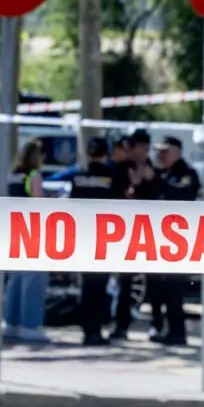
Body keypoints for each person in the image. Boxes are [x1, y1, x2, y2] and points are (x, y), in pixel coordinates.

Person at [147, 135, 202, 345]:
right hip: (159, 238)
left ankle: (178, 332)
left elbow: (183, 195)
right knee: (158, 288)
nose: (161, 156)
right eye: (159, 152)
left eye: (165, 151)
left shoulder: (187, 174)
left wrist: (155, 180)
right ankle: (160, 326)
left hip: (179, 241)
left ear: (177, 152)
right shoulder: (161, 173)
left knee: (173, 288)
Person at [110, 129, 158, 340]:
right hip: (127, 232)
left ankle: (157, 323)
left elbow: (161, 198)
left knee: (155, 280)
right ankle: (121, 325)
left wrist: (149, 181)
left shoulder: (153, 171)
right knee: (125, 282)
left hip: (151, 232)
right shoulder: (121, 169)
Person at [71, 138, 120, 346]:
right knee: (99, 287)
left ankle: (87, 330)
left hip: (84, 237)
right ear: (105, 154)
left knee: (87, 287)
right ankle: (96, 331)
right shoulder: (111, 176)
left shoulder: (78, 177)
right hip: (103, 238)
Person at [3, 138, 51, 343]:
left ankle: (11, 323)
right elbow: (38, 202)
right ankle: (30, 325)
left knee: (15, 279)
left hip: (13, 230)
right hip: (31, 231)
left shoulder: (12, 176)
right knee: (33, 279)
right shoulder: (33, 176)